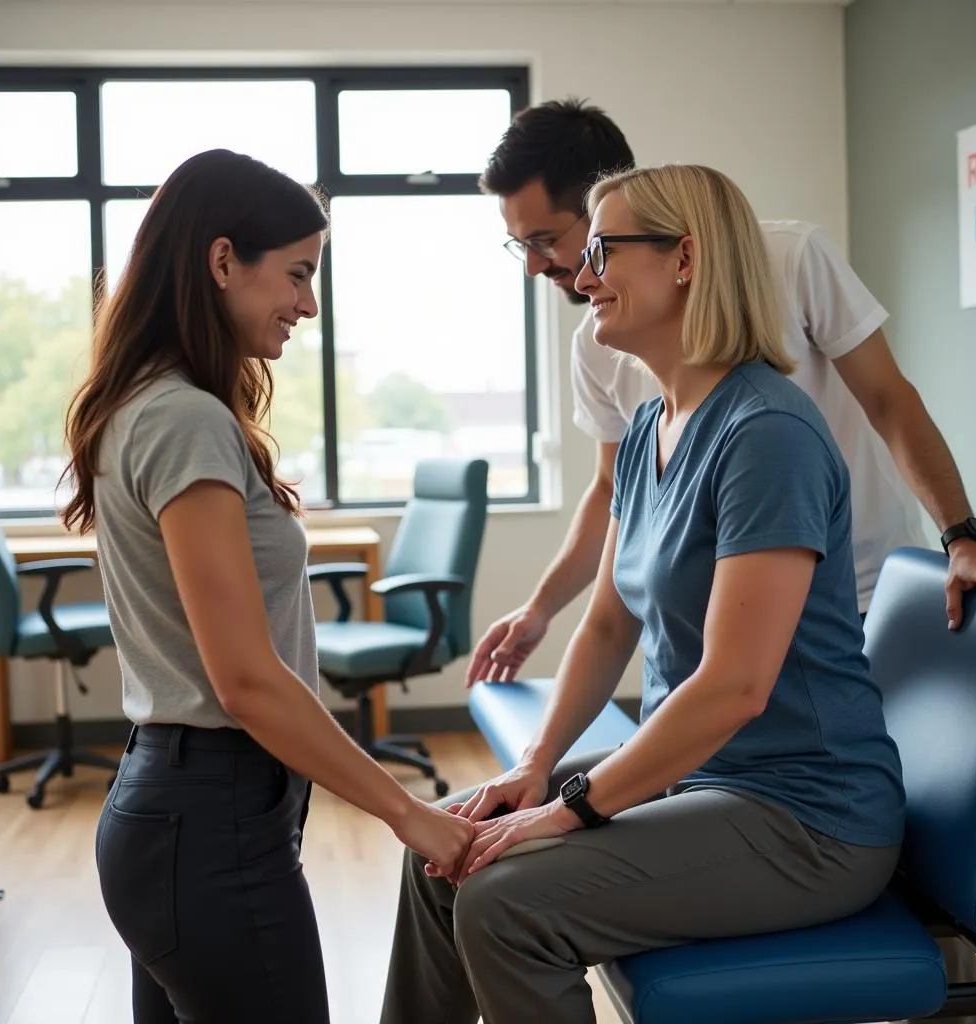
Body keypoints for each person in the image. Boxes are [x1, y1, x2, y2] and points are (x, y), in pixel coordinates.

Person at [379, 163, 906, 1024]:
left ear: (686, 258)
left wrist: (570, 812)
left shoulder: (766, 434)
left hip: (808, 818)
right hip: (704, 781)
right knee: (443, 849)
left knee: (506, 904)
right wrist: (535, 769)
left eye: (601, 252)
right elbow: (606, 624)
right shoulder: (648, 432)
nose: (579, 278)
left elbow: (736, 685)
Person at [61, 149, 474, 1024]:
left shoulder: (146, 402)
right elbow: (246, 680)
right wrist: (410, 815)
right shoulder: (184, 419)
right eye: (296, 273)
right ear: (221, 262)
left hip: (177, 814)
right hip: (210, 824)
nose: (309, 304)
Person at [469, 99, 976, 694]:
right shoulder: (600, 347)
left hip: (856, 592)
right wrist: (540, 609)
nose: (534, 267)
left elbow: (888, 399)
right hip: (722, 612)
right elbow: (612, 495)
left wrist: (962, 535)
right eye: (519, 246)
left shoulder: (790, 265)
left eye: (544, 241)